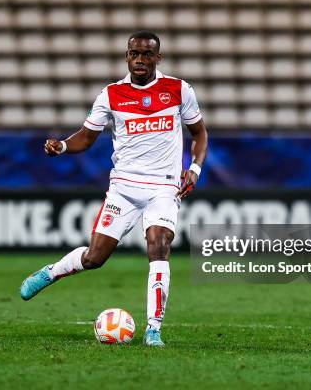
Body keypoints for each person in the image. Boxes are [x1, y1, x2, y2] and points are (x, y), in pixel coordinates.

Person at [19, 31, 208, 346]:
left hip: (164, 187)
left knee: (158, 243)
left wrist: (195, 169)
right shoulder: (111, 95)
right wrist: (63, 146)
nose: (140, 60)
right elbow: (86, 136)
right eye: (134, 54)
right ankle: (51, 272)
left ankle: (153, 329)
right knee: (94, 258)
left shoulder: (178, 90)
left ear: (157, 58)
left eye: (147, 54)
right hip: (124, 188)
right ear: (127, 56)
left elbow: (200, 133)